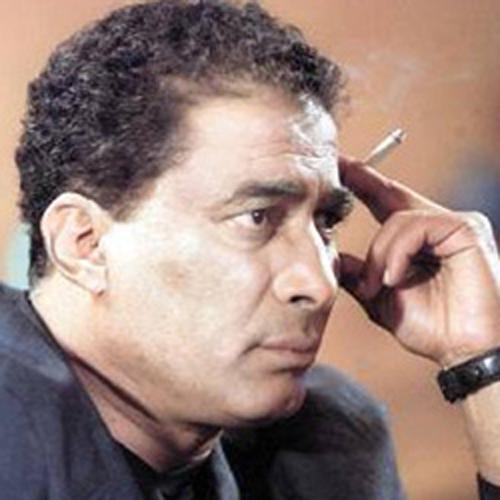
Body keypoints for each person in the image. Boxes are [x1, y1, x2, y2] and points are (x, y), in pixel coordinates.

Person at [2, 0, 500, 498]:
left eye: (326, 220)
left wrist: (482, 360)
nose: (320, 284)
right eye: (257, 217)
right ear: (85, 244)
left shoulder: (328, 446)